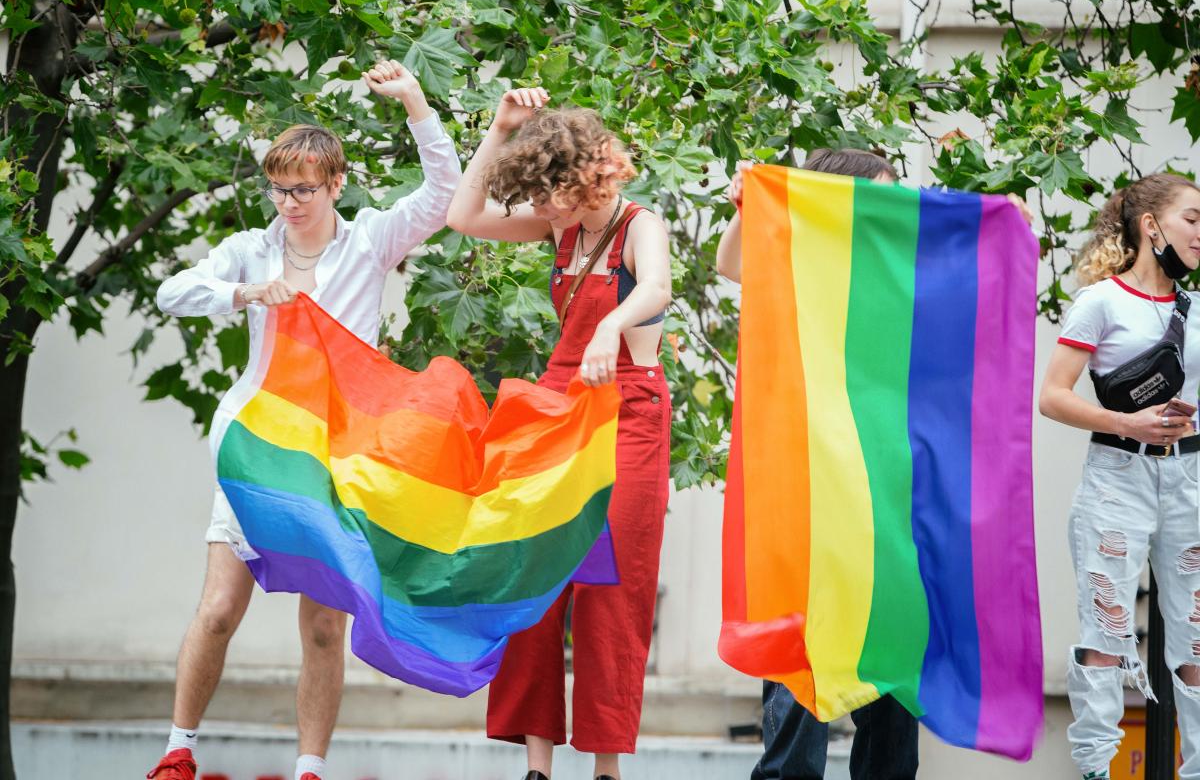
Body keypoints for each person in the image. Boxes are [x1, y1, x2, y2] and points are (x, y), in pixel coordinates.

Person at [145, 60, 461, 780]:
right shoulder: (254, 249)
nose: (290, 203)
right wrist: (245, 292)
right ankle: (177, 750)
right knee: (221, 606)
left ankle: (309, 768)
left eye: (304, 190)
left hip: (337, 458)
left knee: (324, 626)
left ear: (336, 185)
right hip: (260, 448)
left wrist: (415, 101)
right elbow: (172, 292)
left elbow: (443, 193)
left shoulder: (373, 240)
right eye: (279, 189)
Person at [445, 86, 672, 780]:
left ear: (583, 181)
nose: (541, 210)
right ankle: (537, 764)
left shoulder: (639, 224)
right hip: (554, 411)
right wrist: (501, 127)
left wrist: (610, 325)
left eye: (550, 195)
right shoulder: (557, 227)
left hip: (628, 409)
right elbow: (465, 216)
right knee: (534, 577)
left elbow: (656, 288)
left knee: (614, 588)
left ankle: (606, 769)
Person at [716, 148, 921, 780]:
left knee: (890, 638)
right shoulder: (797, 261)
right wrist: (746, 203)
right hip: (807, 484)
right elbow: (729, 264)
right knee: (802, 637)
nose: (887, 208)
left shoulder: (896, 266)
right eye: (876, 195)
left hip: (884, 484)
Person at [1039, 173, 1200, 780]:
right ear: (1150, 225)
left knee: (1196, 636)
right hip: (1117, 477)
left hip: (1189, 479)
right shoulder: (1102, 300)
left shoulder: (1196, 308)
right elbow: (1052, 397)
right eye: (1193, 218)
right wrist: (1124, 421)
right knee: (1106, 629)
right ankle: (1095, 771)